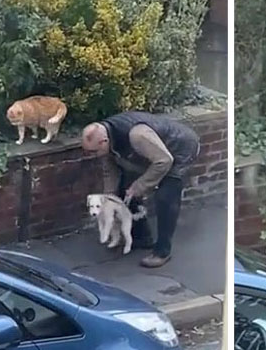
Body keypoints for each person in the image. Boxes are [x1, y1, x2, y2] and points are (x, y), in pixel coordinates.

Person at [81, 111, 200, 268]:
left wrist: (140, 186)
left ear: (104, 142)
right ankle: (142, 238)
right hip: (154, 153)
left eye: (94, 152)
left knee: (166, 197)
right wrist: (109, 198)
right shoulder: (106, 137)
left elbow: (164, 161)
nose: (92, 156)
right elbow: (110, 171)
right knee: (125, 190)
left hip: (179, 150)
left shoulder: (138, 136)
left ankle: (162, 252)